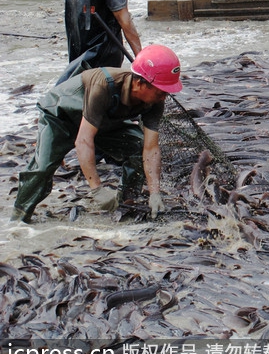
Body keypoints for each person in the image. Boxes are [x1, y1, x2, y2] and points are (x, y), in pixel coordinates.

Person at [11, 45, 183, 224]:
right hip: (61, 117)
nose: (164, 97)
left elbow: (151, 147)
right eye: (161, 91)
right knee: (42, 168)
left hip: (101, 122)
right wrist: (97, 189)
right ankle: (19, 217)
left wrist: (154, 192)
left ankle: (125, 202)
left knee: (137, 145)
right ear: (140, 83)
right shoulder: (104, 84)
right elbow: (83, 140)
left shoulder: (155, 101)